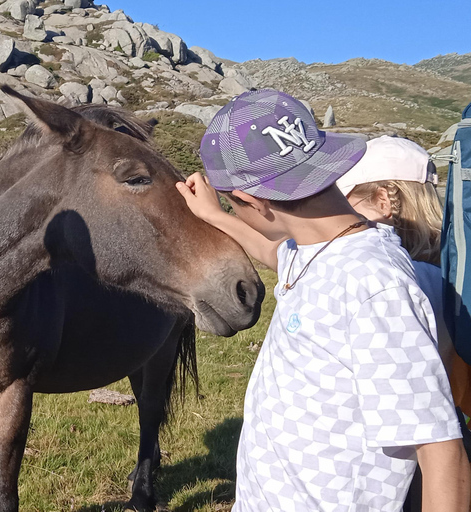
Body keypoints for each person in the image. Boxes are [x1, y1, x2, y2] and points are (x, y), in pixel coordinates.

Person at [175, 89, 470, 511]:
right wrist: (216, 215)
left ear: (255, 202)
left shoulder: (374, 285)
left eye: (233, 203)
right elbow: (273, 253)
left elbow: (440, 450)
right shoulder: (317, 250)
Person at [336, 135, 471, 510]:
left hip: (404, 467)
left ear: (383, 200)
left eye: (345, 201)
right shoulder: (450, 276)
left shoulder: (396, 283)